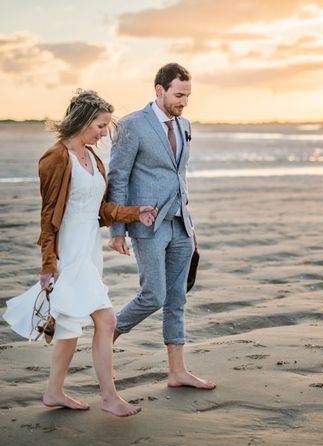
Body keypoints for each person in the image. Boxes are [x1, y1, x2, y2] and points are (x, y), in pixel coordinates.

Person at [3, 89, 157, 417]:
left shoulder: (93, 159)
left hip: (89, 252)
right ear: (84, 121)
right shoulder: (56, 158)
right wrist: (48, 265)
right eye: (101, 126)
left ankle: (53, 392)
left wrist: (134, 212)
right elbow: (48, 218)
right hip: (68, 255)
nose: (104, 133)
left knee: (70, 327)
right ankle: (110, 397)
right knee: (107, 318)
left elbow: (99, 211)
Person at [107, 63, 215, 390]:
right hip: (148, 225)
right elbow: (118, 178)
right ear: (160, 90)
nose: (184, 102)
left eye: (188, 96)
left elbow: (178, 176)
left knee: (177, 297)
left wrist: (191, 226)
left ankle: (177, 372)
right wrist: (117, 230)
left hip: (181, 224)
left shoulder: (184, 125)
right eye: (179, 95)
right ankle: (105, 339)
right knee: (152, 295)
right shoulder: (132, 126)